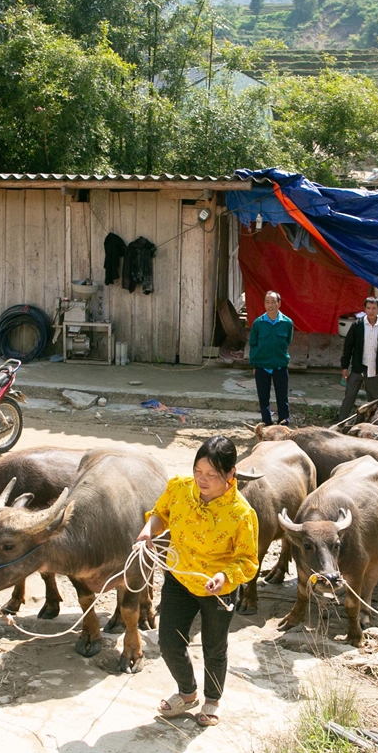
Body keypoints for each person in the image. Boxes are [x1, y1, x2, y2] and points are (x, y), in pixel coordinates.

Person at [138, 436, 259, 728]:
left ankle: (213, 699)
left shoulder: (242, 514)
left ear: (231, 475)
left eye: (212, 476)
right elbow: (160, 515)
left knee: (213, 647)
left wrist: (223, 577)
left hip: (217, 589)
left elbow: (247, 561)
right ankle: (188, 691)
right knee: (168, 642)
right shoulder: (179, 488)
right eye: (198, 472)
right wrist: (147, 531)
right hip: (179, 578)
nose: (202, 481)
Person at [337, 296, 378, 422]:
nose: (371, 311)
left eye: (374, 308)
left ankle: (374, 424)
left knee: (374, 401)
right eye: (368, 308)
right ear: (365, 309)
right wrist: (345, 366)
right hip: (358, 367)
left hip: (375, 369)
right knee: (349, 396)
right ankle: (341, 422)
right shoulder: (358, 325)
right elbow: (348, 346)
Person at [248, 291, 295, 426]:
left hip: (280, 366)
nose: (270, 305)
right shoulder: (258, 323)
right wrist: (255, 365)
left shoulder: (287, 323)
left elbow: (287, 341)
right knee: (264, 399)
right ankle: (267, 425)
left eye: (273, 302)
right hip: (262, 367)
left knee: (282, 398)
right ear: (264, 304)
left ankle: (284, 425)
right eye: (267, 302)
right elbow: (253, 344)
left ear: (279, 304)